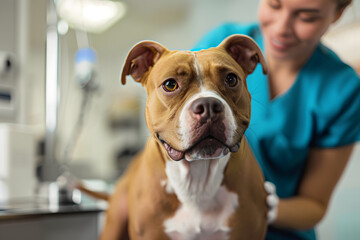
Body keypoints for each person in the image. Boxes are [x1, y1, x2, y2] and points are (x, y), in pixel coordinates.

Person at [193, 0, 360, 239]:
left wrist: (260, 204)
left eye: (307, 17)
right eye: (273, 5)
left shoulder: (342, 89)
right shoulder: (220, 44)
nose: (281, 27)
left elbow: (314, 204)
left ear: (338, 13)